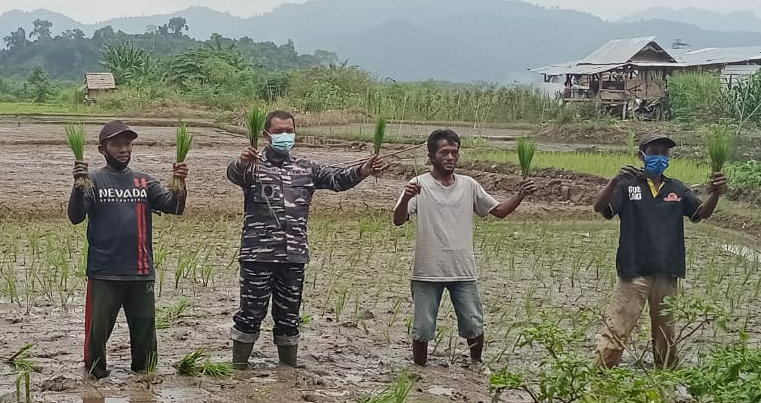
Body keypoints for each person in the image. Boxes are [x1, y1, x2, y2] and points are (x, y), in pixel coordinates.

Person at [227, 110, 384, 369]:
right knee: (250, 314)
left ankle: (287, 372)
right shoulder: (253, 167)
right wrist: (243, 162)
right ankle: (238, 369)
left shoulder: (305, 168)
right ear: (266, 135)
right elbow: (233, 174)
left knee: (289, 317)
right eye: (278, 132)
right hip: (258, 256)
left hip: (293, 257)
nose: (285, 136)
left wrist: (363, 170)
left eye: (289, 130)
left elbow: (337, 179)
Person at [393, 129, 535, 367]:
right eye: (444, 152)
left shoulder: (469, 185)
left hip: (462, 270)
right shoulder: (418, 185)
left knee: (473, 323)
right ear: (431, 156)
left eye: (454, 152)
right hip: (428, 270)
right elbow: (398, 219)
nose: (450, 157)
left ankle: (476, 365)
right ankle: (419, 370)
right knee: (423, 328)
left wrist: (520, 195)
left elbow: (498, 211)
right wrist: (407, 198)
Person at [592, 133, 726, 368]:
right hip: (634, 270)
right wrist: (613, 181)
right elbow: (600, 207)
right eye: (654, 152)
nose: (660, 157)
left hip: (666, 271)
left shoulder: (677, 188)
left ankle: (666, 378)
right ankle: (600, 374)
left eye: (665, 153)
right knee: (617, 330)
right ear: (641, 155)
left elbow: (701, 214)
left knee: (666, 336)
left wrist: (715, 193)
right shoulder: (627, 185)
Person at [68, 120, 188, 379]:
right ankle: (95, 378)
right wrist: (78, 185)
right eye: (116, 144)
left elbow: (175, 208)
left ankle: (144, 381)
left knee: (145, 334)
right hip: (105, 272)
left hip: (140, 271)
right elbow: (76, 216)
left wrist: (180, 183)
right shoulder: (94, 180)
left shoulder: (143, 182)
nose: (123, 149)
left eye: (127, 144)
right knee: (97, 333)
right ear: (103, 149)